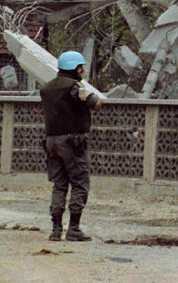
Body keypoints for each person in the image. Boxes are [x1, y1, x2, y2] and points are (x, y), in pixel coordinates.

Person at [38, 50, 103, 241]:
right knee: (79, 183)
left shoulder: (47, 88)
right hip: (72, 143)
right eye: (80, 67)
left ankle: (56, 229)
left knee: (59, 185)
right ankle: (74, 228)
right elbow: (96, 103)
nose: (82, 70)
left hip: (51, 142)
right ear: (74, 67)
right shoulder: (74, 86)